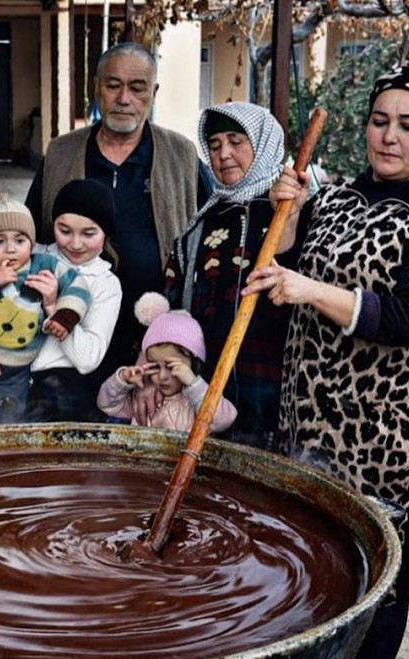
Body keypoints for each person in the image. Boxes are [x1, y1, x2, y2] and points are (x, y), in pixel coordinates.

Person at [243, 66, 409, 659]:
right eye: (380, 121)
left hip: (387, 428)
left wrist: (310, 292)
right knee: (309, 544)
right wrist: (284, 214)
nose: (389, 137)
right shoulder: (340, 196)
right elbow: (282, 266)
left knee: (380, 563)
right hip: (309, 408)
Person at [26, 42, 212, 386]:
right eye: (113, 85)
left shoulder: (180, 155)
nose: (124, 98)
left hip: (152, 340)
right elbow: (29, 234)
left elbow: (216, 223)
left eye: (137, 88)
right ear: (96, 87)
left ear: (152, 92)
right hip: (69, 334)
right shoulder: (62, 153)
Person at [162, 101, 290, 448]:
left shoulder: (291, 211)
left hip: (279, 394)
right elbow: (173, 308)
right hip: (208, 396)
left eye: (236, 141)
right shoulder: (200, 227)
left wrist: (291, 216)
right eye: (215, 145)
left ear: (262, 144)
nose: (224, 154)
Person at [0, 194, 91, 426]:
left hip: (18, 372)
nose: (10, 249)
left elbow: (77, 286)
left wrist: (65, 315)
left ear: (31, 244)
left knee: (9, 424)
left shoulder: (44, 265)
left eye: (19, 240)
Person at [27, 179, 123, 422]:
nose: (76, 243)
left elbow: (88, 359)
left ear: (106, 232)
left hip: (66, 396)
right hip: (13, 383)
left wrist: (53, 307)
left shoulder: (105, 284)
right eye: (65, 231)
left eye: (89, 234)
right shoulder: (33, 257)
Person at [97, 292, 236, 432]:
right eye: (155, 366)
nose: (162, 376)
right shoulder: (144, 401)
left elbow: (223, 420)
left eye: (172, 367)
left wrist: (193, 383)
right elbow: (107, 404)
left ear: (194, 365)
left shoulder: (195, 404)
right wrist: (122, 379)